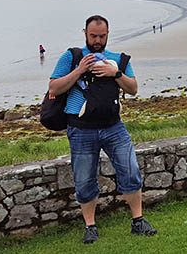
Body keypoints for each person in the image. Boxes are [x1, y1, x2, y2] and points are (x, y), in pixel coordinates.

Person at [48, 15, 157, 244]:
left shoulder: (119, 59)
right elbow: (54, 87)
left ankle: (138, 220)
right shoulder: (71, 56)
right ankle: (90, 226)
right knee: (85, 179)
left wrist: (115, 74)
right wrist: (79, 71)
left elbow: (134, 88)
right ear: (85, 33)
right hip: (81, 129)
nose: (97, 40)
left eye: (102, 36)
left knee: (130, 170)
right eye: (93, 36)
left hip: (113, 127)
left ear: (108, 34)